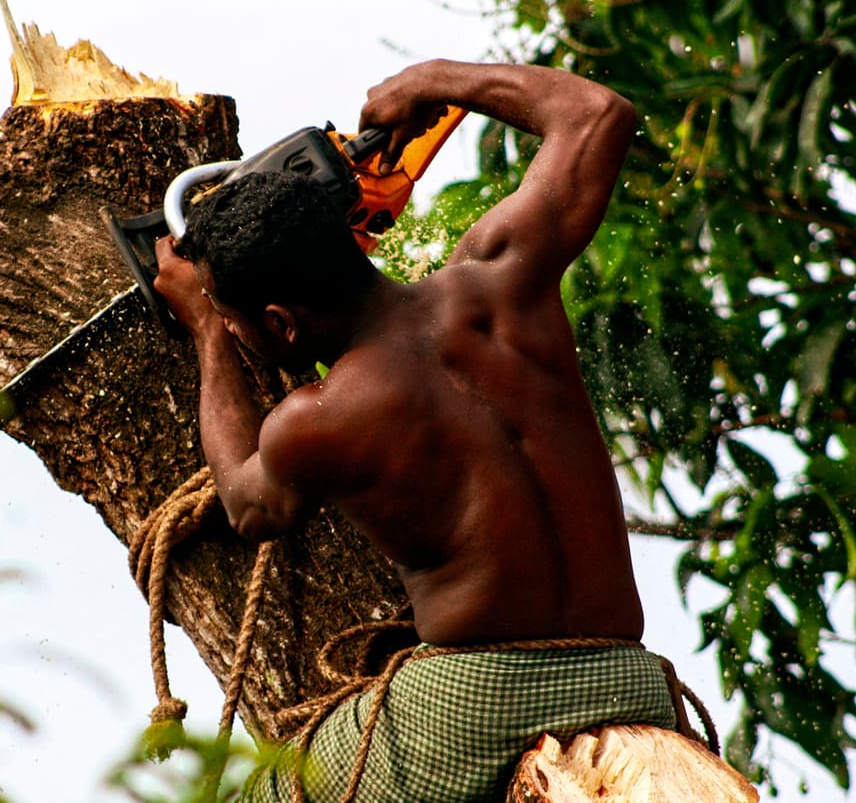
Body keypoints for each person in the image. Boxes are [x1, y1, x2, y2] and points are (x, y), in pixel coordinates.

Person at [152, 61, 678, 802]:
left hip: (480, 699)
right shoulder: (503, 275)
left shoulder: (320, 417)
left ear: (280, 321)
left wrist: (205, 329)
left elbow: (248, 503)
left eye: (243, 324)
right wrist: (435, 81)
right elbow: (599, 114)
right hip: (630, 674)